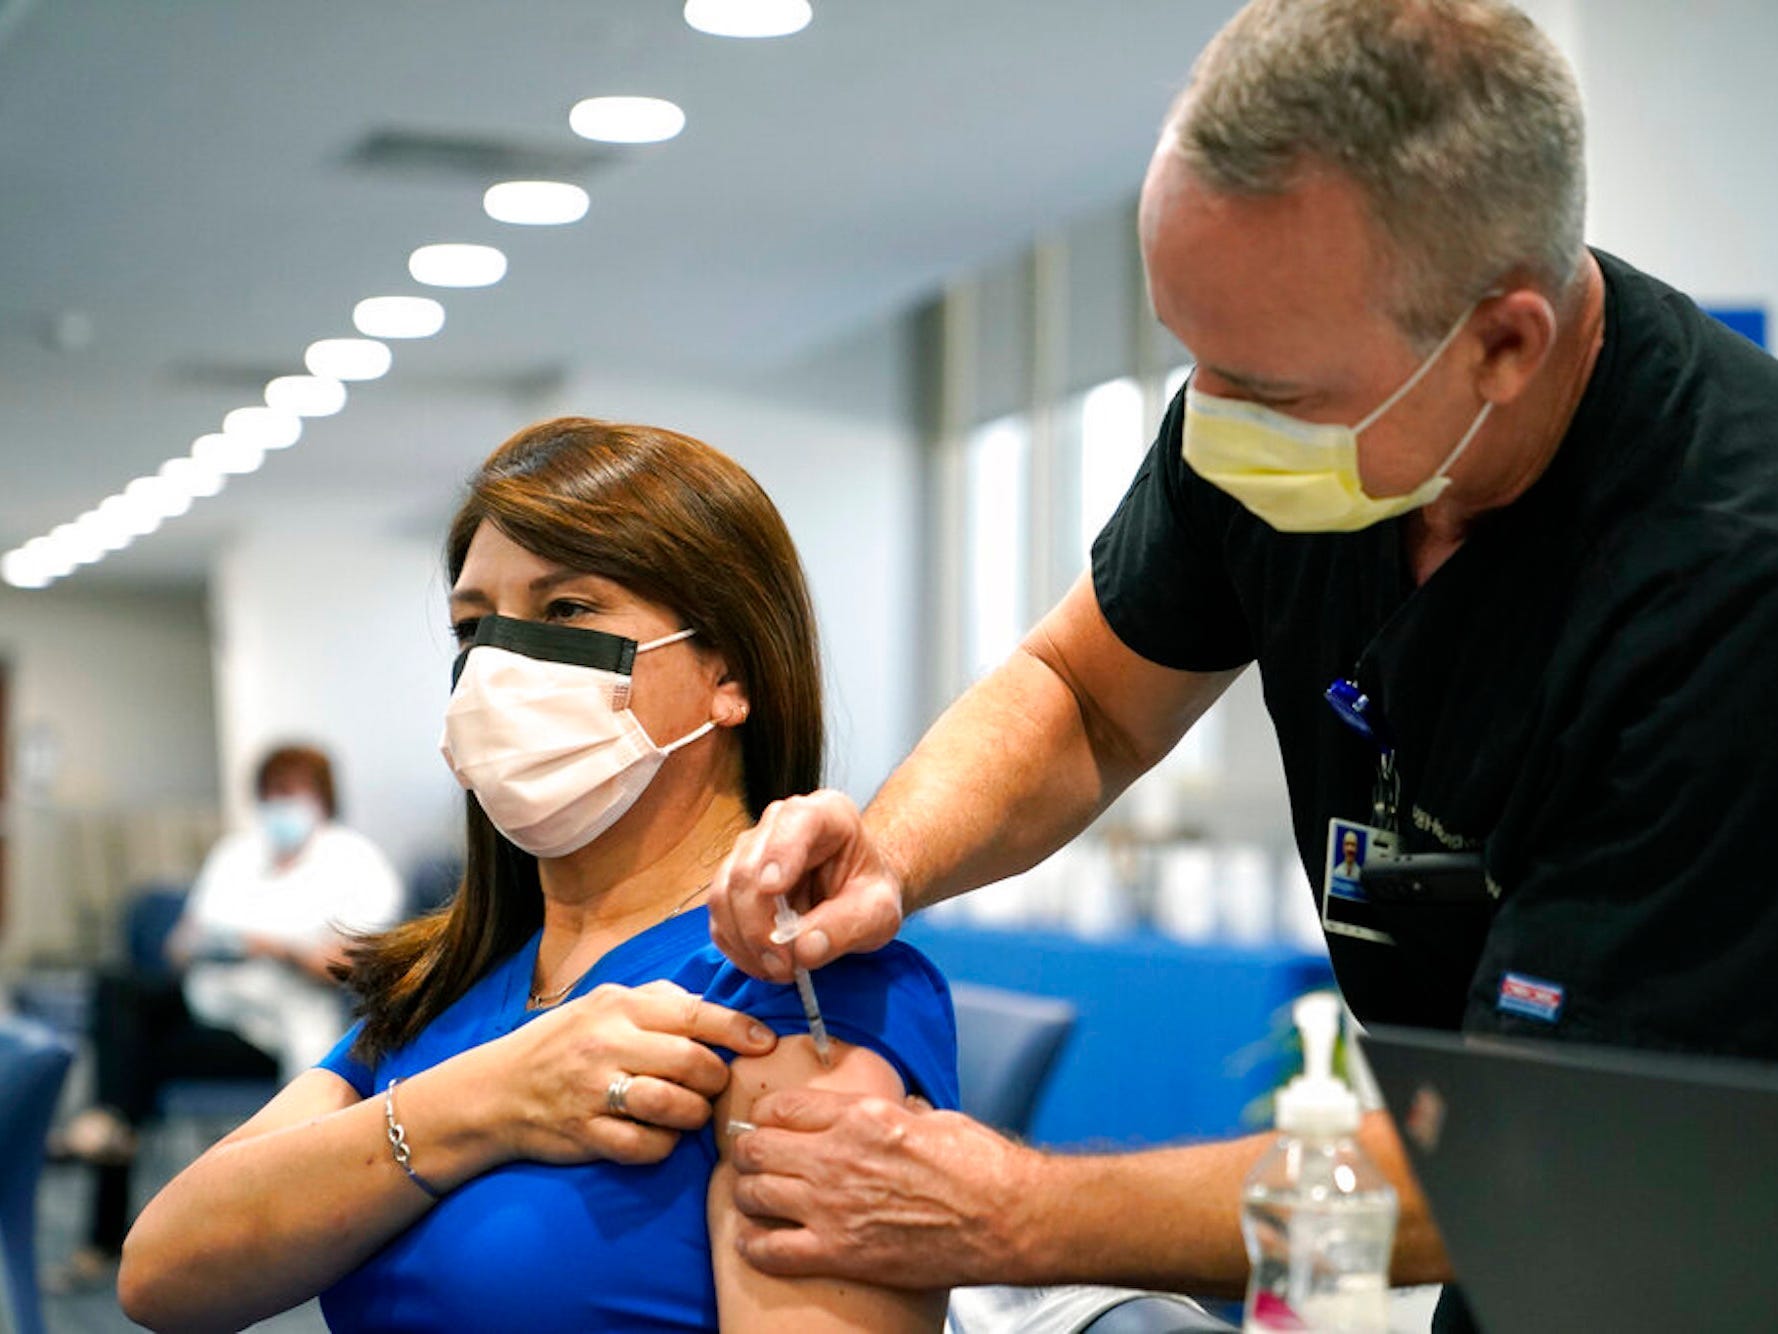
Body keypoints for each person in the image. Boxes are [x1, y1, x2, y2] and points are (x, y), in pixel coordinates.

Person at [706, 3, 1778, 1331]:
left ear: (1502, 343)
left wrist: (1012, 1212)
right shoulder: (1282, 418)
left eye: (1269, 389)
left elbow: (1550, 1164)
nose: (1212, 424)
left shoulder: (1725, 585)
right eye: (1190, 356)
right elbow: (1084, 693)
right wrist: (891, 852)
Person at [117, 417, 957, 1334]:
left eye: (565, 612)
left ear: (729, 670)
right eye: (475, 626)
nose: (500, 668)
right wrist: (489, 1098)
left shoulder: (789, 985)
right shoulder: (451, 985)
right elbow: (164, 1272)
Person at [55, 743, 402, 1287]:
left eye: (291, 792)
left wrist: (271, 946)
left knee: (131, 1065)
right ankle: (111, 1128)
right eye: (271, 793)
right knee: (118, 989)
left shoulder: (355, 861)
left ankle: (109, 1231)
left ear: (321, 797)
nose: (278, 805)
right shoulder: (238, 854)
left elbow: (350, 963)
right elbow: (180, 942)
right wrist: (200, 943)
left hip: (272, 1030)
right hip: (209, 1001)